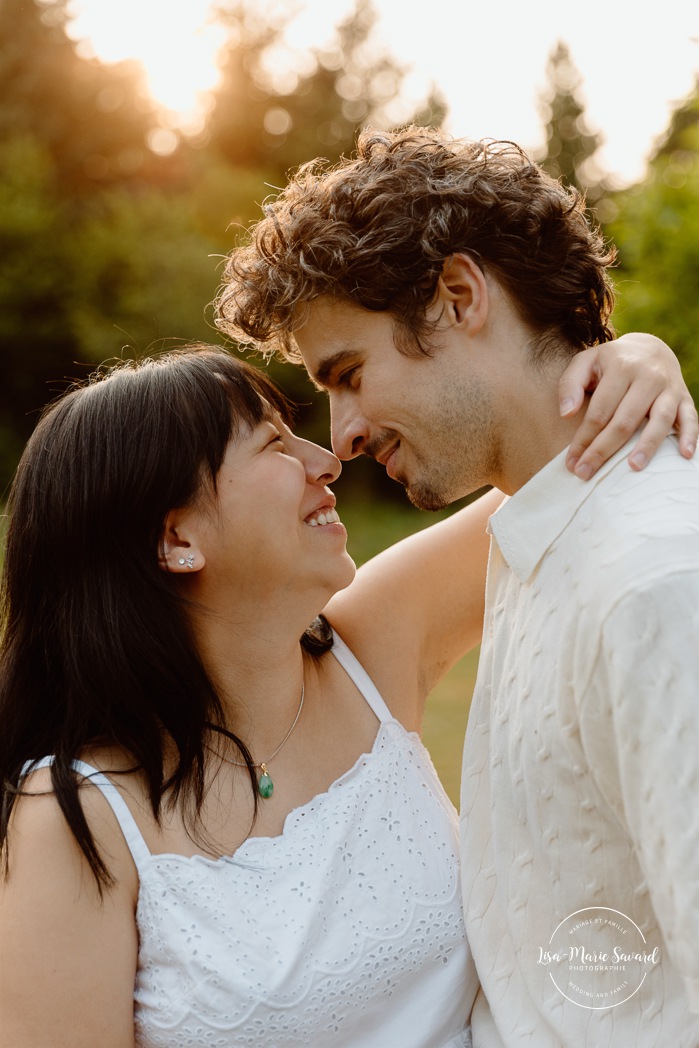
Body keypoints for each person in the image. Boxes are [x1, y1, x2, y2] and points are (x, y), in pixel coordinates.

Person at [0, 342, 688, 1048]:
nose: (325, 459)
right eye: (272, 444)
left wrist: (638, 356)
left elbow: (569, 470)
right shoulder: (74, 817)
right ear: (177, 538)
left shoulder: (369, 649)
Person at [216, 128, 699, 1046]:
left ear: (458, 297)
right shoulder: (535, 538)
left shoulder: (656, 583)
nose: (343, 435)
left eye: (349, 375)